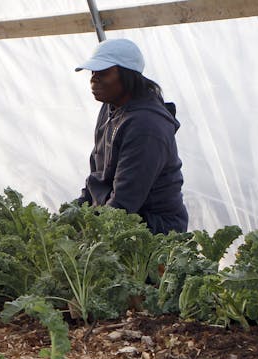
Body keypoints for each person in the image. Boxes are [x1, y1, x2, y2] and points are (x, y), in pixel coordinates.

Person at [75, 38, 188, 234]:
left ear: (127, 75)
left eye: (103, 73)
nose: (94, 79)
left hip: (154, 230)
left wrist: (86, 235)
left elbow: (125, 202)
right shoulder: (109, 108)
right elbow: (97, 177)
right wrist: (72, 214)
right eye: (93, 72)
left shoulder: (146, 125)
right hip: (118, 218)